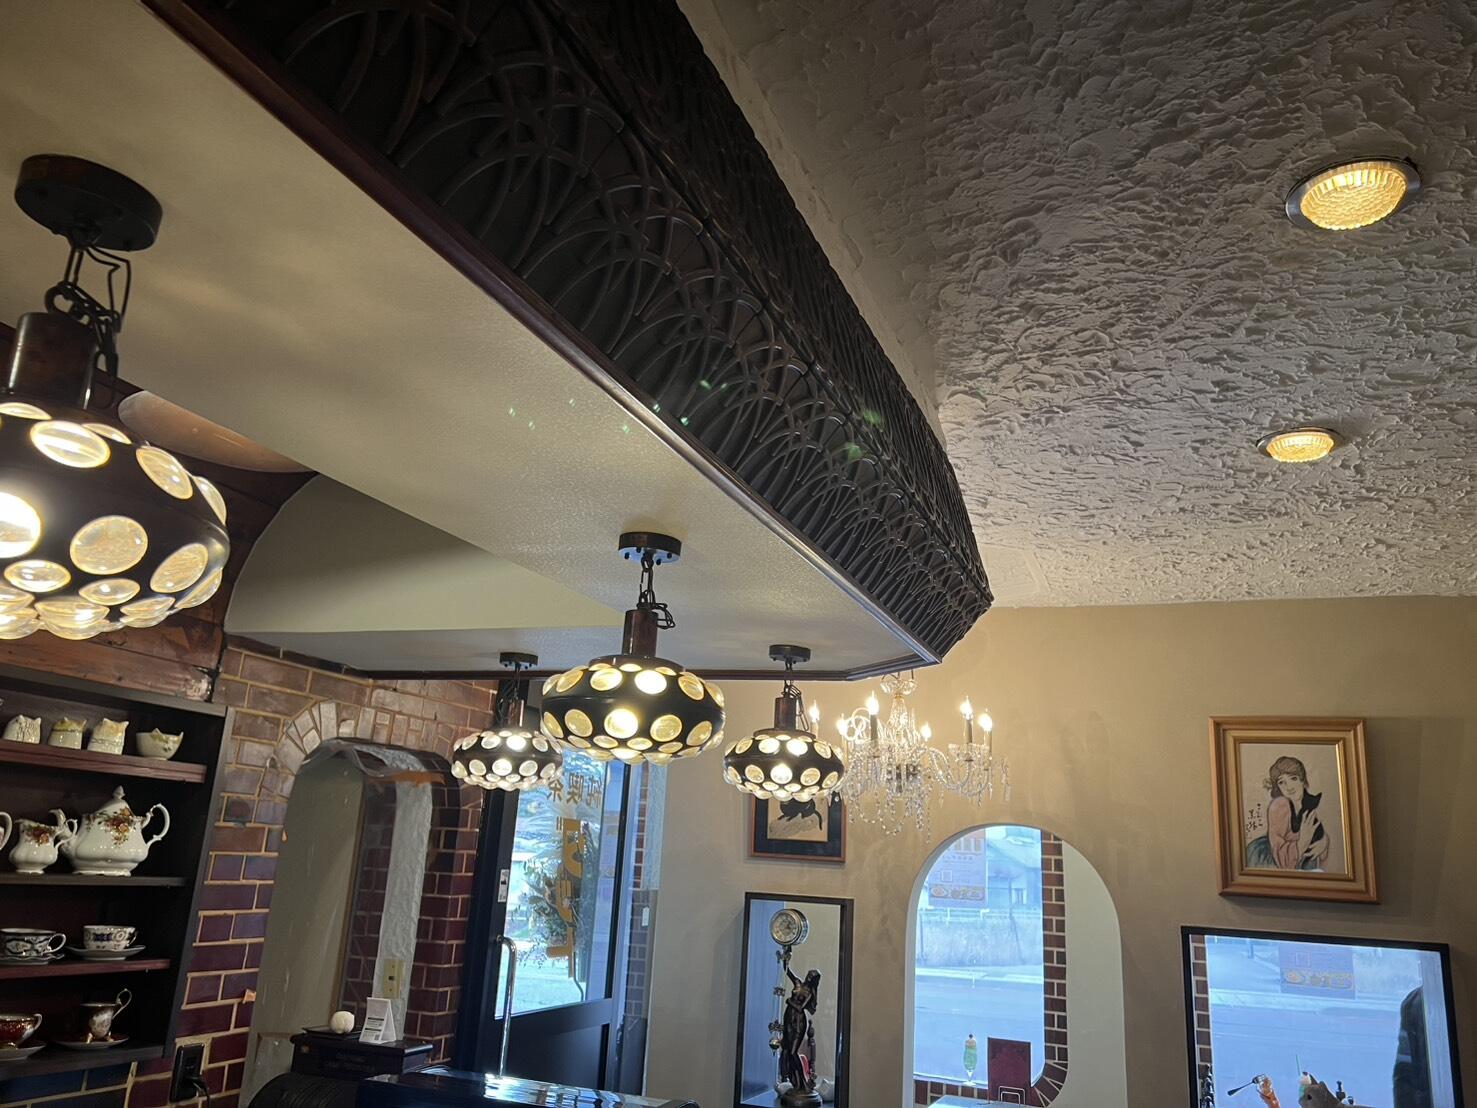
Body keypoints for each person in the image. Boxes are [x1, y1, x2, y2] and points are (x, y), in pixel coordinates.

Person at [1245, 756, 1330, 870]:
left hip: (1303, 858)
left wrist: (1324, 842)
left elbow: (1317, 831)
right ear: (1278, 787)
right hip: (1272, 859)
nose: (1289, 787)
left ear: (1302, 780)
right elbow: (1281, 858)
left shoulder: (1310, 802)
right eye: (1281, 782)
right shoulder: (1279, 806)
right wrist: (1302, 843)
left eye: (1293, 778)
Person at [778, 950, 822, 1103]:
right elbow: (787, 970)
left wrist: (789, 1001)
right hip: (788, 1018)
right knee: (787, 1049)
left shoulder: (809, 993)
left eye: (812, 977)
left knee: (793, 1051)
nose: (809, 977)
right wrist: (787, 954)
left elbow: (800, 1007)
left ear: (814, 980)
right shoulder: (797, 982)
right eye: (809, 974)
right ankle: (795, 1082)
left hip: (799, 1022)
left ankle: (803, 1082)